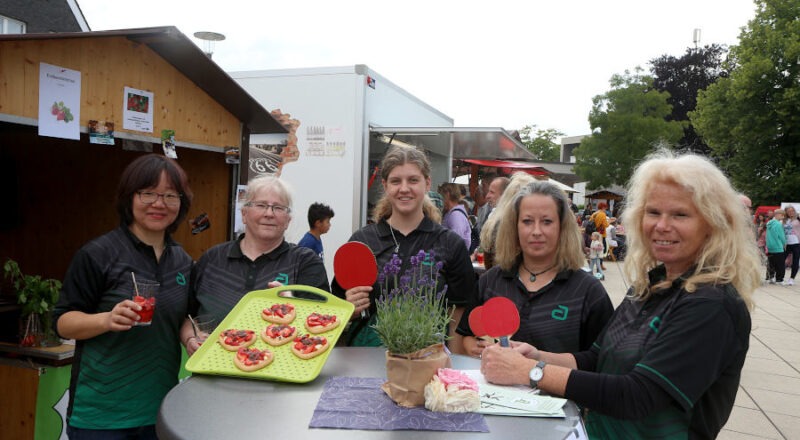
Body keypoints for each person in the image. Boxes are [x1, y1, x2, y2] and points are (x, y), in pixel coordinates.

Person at [479, 149, 762, 439]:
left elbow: (638, 395)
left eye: (680, 214)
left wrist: (531, 371)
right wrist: (538, 356)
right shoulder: (650, 286)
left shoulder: (711, 304)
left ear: (712, 223)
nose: (662, 225)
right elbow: (595, 358)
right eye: (653, 212)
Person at [53, 154, 194, 439]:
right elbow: (63, 323)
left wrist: (192, 337)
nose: (159, 203)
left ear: (181, 203)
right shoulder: (98, 254)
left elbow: (184, 318)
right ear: (129, 197)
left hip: (161, 411)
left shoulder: (182, 260)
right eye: (148, 193)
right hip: (102, 415)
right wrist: (107, 319)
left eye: (170, 195)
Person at [331, 145, 478, 353]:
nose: (404, 188)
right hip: (366, 360)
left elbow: (457, 316)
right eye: (395, 181)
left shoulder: (449, 243)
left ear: (427, 183)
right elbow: (335, 310)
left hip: (426, 361)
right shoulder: (362, 240)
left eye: (413, 180)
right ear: (385, 185)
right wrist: (349, 309)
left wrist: (452, 371)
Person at [459, 179, 613, 357]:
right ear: (514, 227)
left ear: (562, 227)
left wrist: (538, 363)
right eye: (527, 221)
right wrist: (472, 347)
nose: (536, 231)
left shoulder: (589, 292)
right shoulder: (490, 281)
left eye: (547, 221)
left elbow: (599, 361)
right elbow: (467, 335)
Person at [186, 175, 330, 353]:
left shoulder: (305, 262)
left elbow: (324, 327)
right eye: (261, 205)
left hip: (279, 376)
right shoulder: (212, 259)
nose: (269, 213)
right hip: (211, 371)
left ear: (288, 220)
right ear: (244, 214)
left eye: (278, 208)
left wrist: (294, 308)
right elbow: (187, 315)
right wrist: (192, 337)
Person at [438, 182, 472, 250]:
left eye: (441, 195)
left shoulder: (456, 215)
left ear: (447, 194)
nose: (440, 199)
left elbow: (456, 242)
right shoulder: (452, 213)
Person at [766, 209, 786, 284]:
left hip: (770, 246)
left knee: (771, 263)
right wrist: (784, 243)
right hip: (778, 246)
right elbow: (781, 235)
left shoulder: (769, 223)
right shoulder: (778, 224)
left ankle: (770, 277)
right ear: (778, 214)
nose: (783, 217)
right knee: (780, 264)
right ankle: (779, 279)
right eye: (782, 215)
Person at [783, 205, 799, 286]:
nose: (791, 212)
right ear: (786, 212)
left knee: (795, 261)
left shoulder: (798, 219)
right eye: (789, 211)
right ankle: (780, 277)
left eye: (792, 210)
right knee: (782, 260)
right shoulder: (785, 220)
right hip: (787, 243)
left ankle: (792, 278)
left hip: (796, 243)